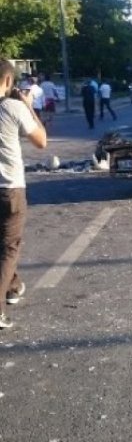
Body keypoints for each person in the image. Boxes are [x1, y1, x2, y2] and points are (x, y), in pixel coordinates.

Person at [0, 59, 48, 329]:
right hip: (9, 188)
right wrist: (29, 106)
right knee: (9, 248)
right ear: (8, 81)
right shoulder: (13, 107)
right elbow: (41, 141)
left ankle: (13, 285)